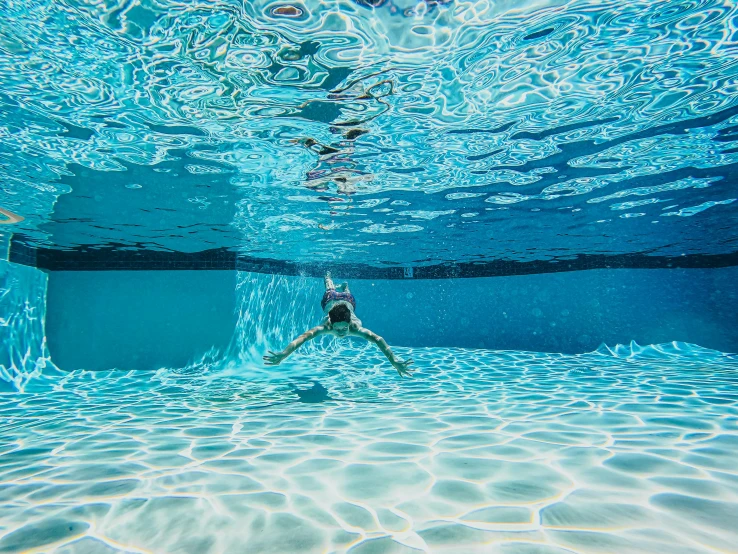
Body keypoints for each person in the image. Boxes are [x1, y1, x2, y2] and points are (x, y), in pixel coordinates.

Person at [263, 272, 414, 377]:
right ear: (331, 323)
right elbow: (304, 338)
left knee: (347, 292)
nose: (341, 332)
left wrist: (394, 361)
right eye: (338, 328)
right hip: (331, 299)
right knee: (329, 287)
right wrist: (284, 354)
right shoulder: (326, 326)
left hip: (348, 300)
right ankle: (328, 277)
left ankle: (344, 287)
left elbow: (378, 339)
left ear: (350, 322)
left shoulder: (354, 327)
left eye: (344, 328)